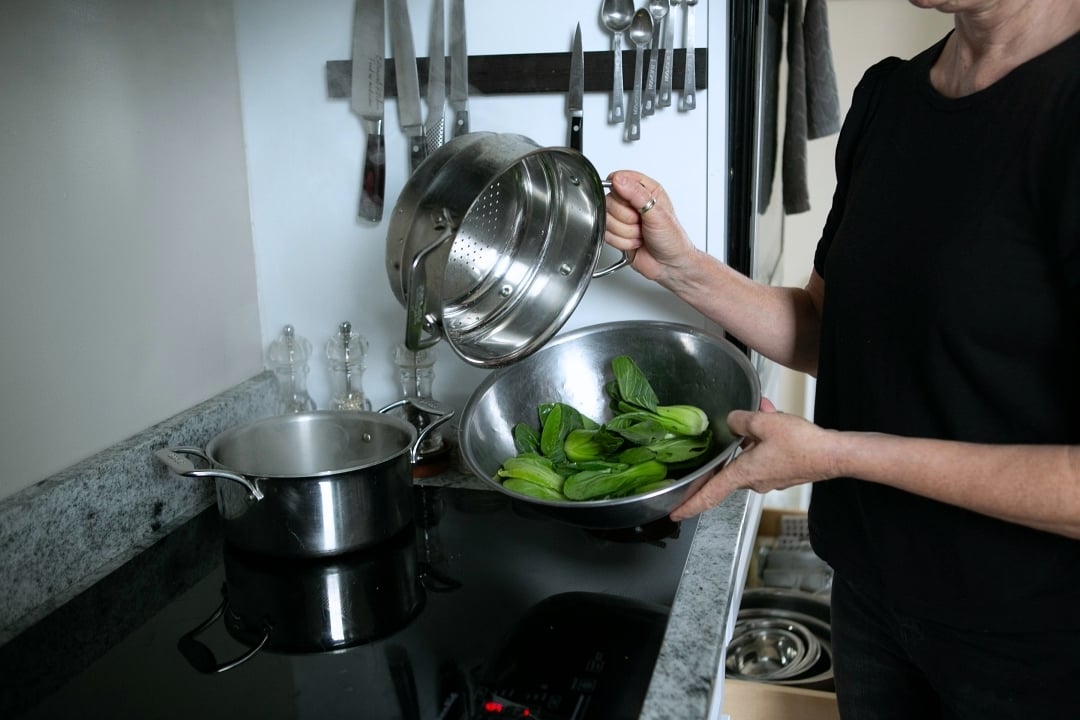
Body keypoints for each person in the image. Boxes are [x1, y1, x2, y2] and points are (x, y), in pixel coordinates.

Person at [604, 1, 1080, 717]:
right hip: (869, 602)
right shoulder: (890, 97)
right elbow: (837, 333)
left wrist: (840, 454)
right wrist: (682, 269)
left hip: (1033, 645)